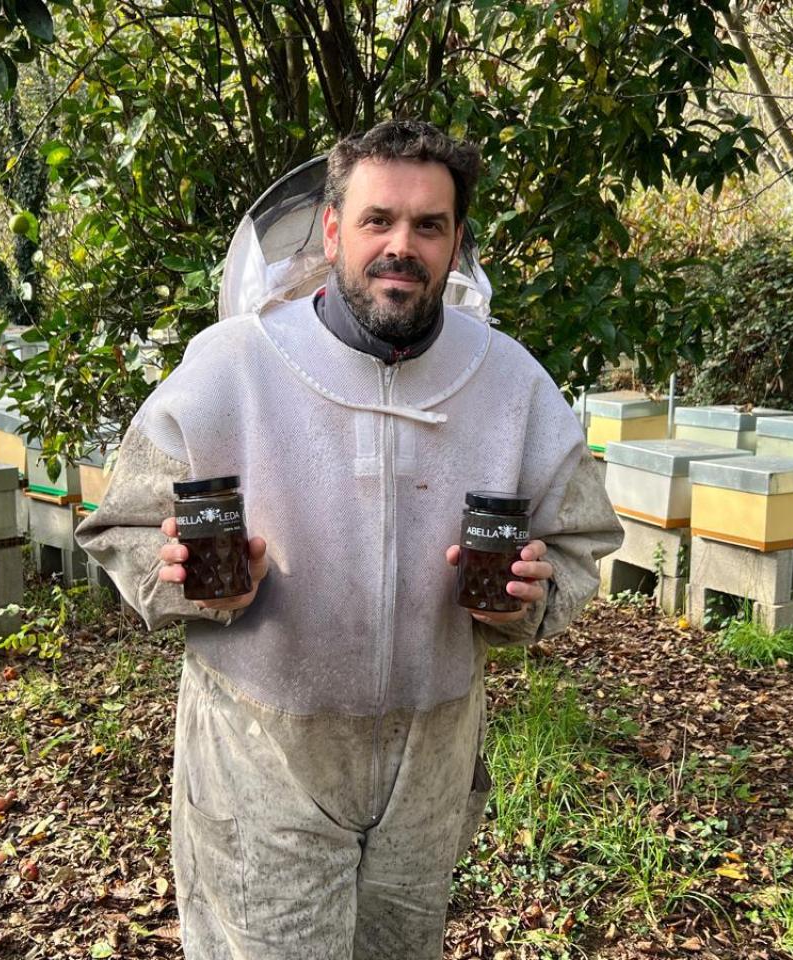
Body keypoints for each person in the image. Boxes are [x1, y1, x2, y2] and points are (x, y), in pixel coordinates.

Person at [76, 119, 620, 960]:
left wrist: (528, 602)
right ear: (332, 230)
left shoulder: (512, 381)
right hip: (261, 759)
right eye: (378, 220)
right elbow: (125, 525)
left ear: (456, 244)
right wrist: (189, 580)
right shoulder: (231, 365)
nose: (401, 245)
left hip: (430, 763)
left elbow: (578, 538)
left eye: (428, 225)